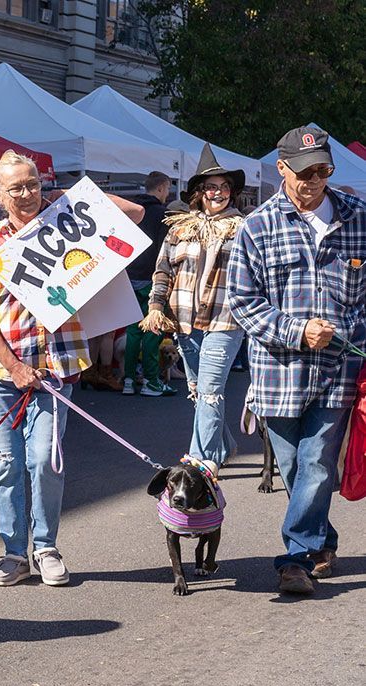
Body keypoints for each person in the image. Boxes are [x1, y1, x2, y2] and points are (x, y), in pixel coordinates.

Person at [0, 150, 144, 587]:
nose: (26, 194)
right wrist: (12, 366)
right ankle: (13, 553)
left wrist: (68, 199)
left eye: (32, 184)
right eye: (16, 188)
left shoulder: (64, 225)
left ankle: (45, 546)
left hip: (56, 365)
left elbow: (135, 212)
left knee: (46, 459)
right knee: (5, 460)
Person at [226, 125, 366, 595]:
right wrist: (296, 330)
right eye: (304, 172)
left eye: (323, 170)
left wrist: (344, 330)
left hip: (339, 369)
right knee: (294, 469)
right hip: (278, 371)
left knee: (318, 461)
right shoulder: (256, 227)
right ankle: (321, 538)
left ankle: (294, 559)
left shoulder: (359, 218)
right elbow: (243, 303)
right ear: (282, 169)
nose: (314, 180)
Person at [141, 145, 247, 467]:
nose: (219, 193)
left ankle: (201, 462)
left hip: (225, 320)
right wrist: (156, 306)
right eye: (212, 187)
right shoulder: (179, 228)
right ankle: (224, 447)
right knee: (199, 392)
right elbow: (163, 271)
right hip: (185, 321)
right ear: (199, 192)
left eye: (225, 187)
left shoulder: (243, 228)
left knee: (211, 391)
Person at [122, 171, 173, 396]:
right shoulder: (163, 214)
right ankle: (151, 381)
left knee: (133, 332)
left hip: (129, 275)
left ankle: (129, 380)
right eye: (168, 189)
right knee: (153, 329)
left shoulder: (131, 211)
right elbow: (166, 250)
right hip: (152, 278)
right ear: (162, 188)